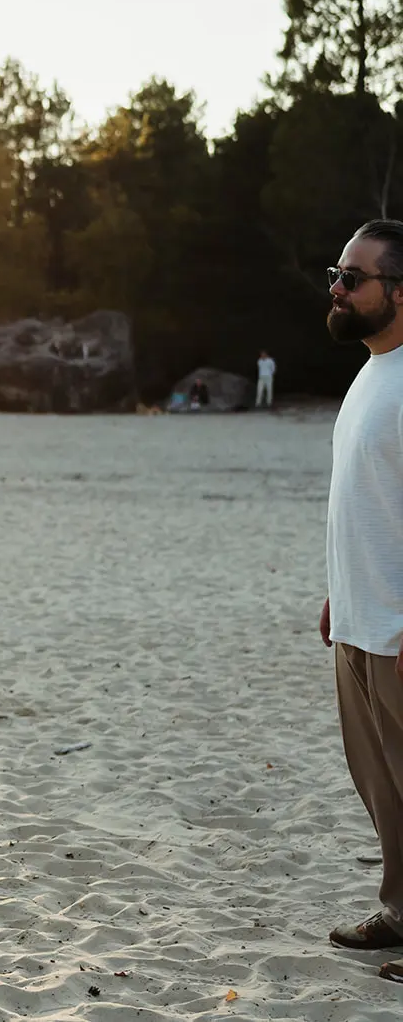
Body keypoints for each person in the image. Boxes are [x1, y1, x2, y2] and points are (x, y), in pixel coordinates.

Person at [319, 218, 403, 984]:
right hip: (359, 619)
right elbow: (370, 499)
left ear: (399, 292)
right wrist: (334, 593)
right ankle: (402, 910)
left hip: (399, 630)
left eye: (354, 278)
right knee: (382, 784)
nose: (338, 289)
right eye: (338, 274)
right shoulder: (371, 372)